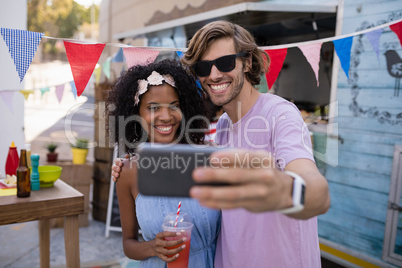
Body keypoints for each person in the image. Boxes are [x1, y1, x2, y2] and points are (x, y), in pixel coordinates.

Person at [113, 21, 330, 267]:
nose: (214, 74)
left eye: (226, 62)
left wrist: (287, 190)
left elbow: (315, 190)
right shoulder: (223, 128)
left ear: (248, 62)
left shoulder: (280, 115)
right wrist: (127, 166)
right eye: (204, 67)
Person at [106, 59, 221, 267]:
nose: (166, 116)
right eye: (153, 108)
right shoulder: (128, 173)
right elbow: (128, 245)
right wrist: (152, 247)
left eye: (174, 106)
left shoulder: (207, 159)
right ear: (136, 114)